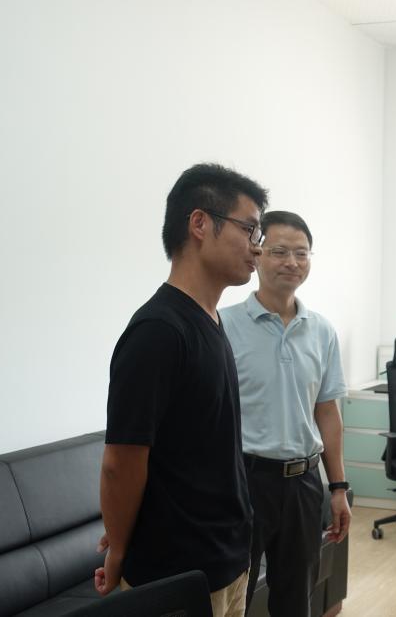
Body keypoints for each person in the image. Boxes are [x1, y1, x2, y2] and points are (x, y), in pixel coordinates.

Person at [96, 163, 269, 617]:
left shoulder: (211, 320)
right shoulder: (158, 330)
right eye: (249, 228)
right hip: (178, 575)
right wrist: (118, 550)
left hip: (228, 561)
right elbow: (120, 463)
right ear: (199, 224)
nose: (257, 246)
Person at [219, 210, 351, 617]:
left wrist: (338, 487)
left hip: (303, 484)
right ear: (256, 254)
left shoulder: (322, 330)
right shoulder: (223, 325)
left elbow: (326, 412)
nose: (292, 262)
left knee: (296, 600)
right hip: (243, 481)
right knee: (232, 597)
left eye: (301, 253)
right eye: (279, 252)